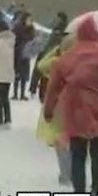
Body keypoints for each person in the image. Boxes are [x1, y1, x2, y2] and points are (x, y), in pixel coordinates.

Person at [43, 15, 98, 193]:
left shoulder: (66, 58)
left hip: (75, 109)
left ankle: (79, 190)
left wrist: (48, 110)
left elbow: (53, 88)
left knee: (77, 153)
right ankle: (97, 188)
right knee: (97, 153)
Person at [35, 32, 77, 185]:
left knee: (60, 140)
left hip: (59, 104)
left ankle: (66, 174)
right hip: (78, 103)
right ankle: (75, 171)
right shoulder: (83, 62)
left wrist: (56, 49)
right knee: (74, 139)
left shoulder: (57, 62)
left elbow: (40, 65)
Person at [30, 11, 68, 99]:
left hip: (51, 54)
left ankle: (39, 91)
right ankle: (36, 90)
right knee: (40, 71)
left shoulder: (62, 32)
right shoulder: (55, 29)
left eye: (57, 18)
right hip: (47, 52)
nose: (55, 20)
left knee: (43, 73)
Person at [12, 12, 36, 101]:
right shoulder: (18, 28)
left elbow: (33, 39)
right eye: (28, 19)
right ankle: (15, 93)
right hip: (17, 53)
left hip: (26, 53)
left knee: (24, 74)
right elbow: (14, 38)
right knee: (17, 73)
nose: (29, 21)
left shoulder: (31, 29)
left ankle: (22, 93)